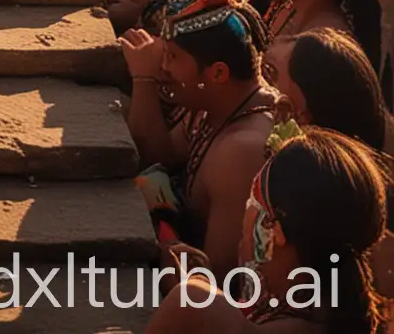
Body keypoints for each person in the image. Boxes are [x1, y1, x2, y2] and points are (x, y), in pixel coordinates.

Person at [145, 127, 387, 332]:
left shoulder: (193, 303)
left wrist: (196, 291)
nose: (246, 210)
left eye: (254, 201)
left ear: (275, 231)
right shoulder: (329, 313)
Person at [122, 0, 277, 278]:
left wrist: (164, 242)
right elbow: (157, 156)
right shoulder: (215, 103)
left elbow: (218, 277)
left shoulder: (241, 151)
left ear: (217, 73)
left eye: (172, 57)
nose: (162, 68)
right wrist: (143, 78)